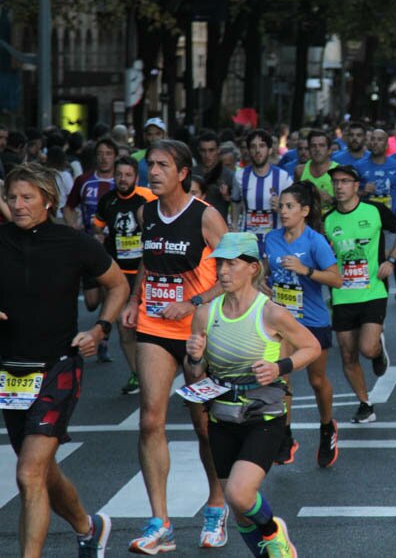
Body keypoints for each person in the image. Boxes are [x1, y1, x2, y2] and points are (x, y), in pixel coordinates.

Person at [0, 162, 129, 557]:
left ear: (48, 200)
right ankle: (87, 526)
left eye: (27, 197)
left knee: (27, 473)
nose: (18, 205)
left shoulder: (74, 243)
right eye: (12, 198)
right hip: (11, 372)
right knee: (37, 470)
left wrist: (99, 329)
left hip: (59, 364)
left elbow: (118, 284)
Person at [121, 139, 230, 553]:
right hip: (153, 325)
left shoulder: (206, 217)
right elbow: (146, 260)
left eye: (163, 165)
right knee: (150, 421)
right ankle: (160, 522)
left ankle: (216, 505)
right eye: (151, 164)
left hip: (198, 331)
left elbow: (238, 270)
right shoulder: (146, 211)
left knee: (204, 425)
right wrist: (135, 298)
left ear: (183, 173)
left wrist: (194, 301)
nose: (155, 171)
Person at [184, 232, 320, 558]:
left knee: (241, 495)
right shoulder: (206, 313)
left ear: (253, 269)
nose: (223, 272)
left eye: (232, 264)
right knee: (239, 506)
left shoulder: (270, 312)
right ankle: (267, 552)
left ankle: (274, 532)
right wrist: (194, 358)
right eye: (220, 264)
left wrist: (279, 366)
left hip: (264, 415)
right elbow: (195, 375)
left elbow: (311, 347)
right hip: (222, 416)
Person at [264, 182, 343, 466]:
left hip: (312, 321)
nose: (283, 212)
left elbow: (336, 279)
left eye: (290, 207)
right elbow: (263, 271)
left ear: (304, 211)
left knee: (317, 380)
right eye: (281, 206)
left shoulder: (315, 241)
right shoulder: (271, 239)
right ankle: (285, 436)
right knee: (281, 379)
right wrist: (263, 286)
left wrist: (305, 270)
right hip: (282, 321)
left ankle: (326, 428)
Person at [325, 164, 396, 423]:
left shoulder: (374, 210)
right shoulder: (327, 220)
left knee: (366, 348)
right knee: (348, 354)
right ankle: (365, 403)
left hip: (372, 290)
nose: (339, 187)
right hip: (342, 296)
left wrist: (392, 260)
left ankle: (377, 351)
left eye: (345, 181)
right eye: (335, 182)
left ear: (356, 185)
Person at [92, 156, 157, 394]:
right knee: (123, 326)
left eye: (128, 175)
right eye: (119, 175)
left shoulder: (147, 198)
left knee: (146, 326)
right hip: (117, 273)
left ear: (136, 178)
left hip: (145, 270)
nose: (122, 179)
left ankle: (156, 372)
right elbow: (97, 224)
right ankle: (136, 375)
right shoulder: (107, 201)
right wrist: (100, 235)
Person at [64, 138, 117, 322]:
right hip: (88, 242)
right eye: (100, 154)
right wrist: (73, 225)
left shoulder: (122, 181)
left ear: (115, 157)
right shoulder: (84, 180)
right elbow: (68, 207)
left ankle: (104, 332)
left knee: (110, 287)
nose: (104, 158)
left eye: (109, 154)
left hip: (113, 244)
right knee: (91, 302)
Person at [231, 129, 293, 242]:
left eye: (262, 146)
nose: (257, 150)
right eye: (253, 147)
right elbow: (235, 202)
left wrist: (281, 207)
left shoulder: (283, 177)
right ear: (249, 151)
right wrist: (234, 225)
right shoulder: (240, 176)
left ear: (270, 150)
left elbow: (294, 209)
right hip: (247, 242)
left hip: (276, 241)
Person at [195, 131, 235, 222]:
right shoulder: (192, 174)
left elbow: (238, 205)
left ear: (218, 150)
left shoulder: (229, 176)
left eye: (211, 150)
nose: (207, 155)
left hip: (218, 225)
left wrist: (227, 198)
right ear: (198, 151)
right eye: (203, 150)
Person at [294, 130, 338, 208]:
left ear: (329, 150)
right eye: (313, 146)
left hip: (331, 219)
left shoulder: (338, 171)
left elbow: (347, 203)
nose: (317, 149)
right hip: (307, 219)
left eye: (322, 145)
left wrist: (330, 200)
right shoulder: (300, 170)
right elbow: (294, 198)